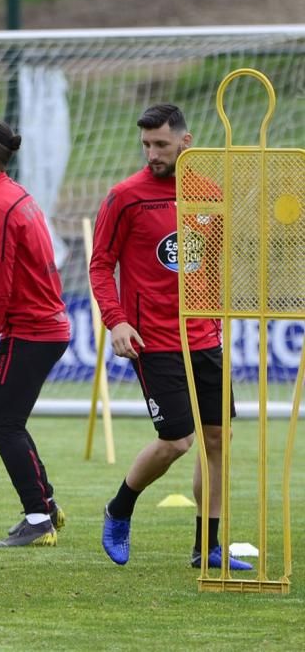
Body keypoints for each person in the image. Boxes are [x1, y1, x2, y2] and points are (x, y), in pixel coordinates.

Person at [89, 103, 251, 571]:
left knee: (218, 438)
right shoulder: (124, 196)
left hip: (204, 335)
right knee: (178, 441)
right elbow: (101, 266)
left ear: (186, 142)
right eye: (146, 145)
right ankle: (119, 509)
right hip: (154, 339)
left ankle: (208, 547)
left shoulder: (208, 194)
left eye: (160, 144)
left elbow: (217, 262)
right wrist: (116, 320)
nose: (152, 154)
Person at [0, 119, 71, 547]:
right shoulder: (8, 195)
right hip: (42, 327)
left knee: (3, 422)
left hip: (34, 330)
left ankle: (39, 518)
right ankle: (47, 504)